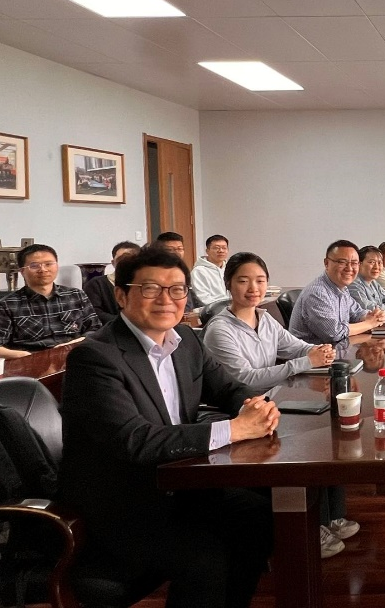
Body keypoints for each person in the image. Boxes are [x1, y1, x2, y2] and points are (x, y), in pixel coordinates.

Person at [60, 246, 279, 608]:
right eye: (150, 289)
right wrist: (237, 429)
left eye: (177, 289)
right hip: (125, 504)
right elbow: (134, 440)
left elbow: (227, 388)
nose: (166, 299)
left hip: (181, 485)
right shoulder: (95, 357)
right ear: (121, 295)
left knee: (259, 517)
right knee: (206, 557)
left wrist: (256, 407)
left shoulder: (186, 340)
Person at [202, 252, 358, 559]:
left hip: (273, 401)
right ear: (228, 284)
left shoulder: (264, 318)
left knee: (329, 428)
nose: (253, 288)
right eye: (243, 281)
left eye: (260, 281)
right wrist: (304, 362)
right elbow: (245, 380)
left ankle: (331, 516)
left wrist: (319, 350)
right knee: (310, 442)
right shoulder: (220, 329)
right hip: (242, 413)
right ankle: (311, 528)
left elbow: (294, 346)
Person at [0, 243, 102, 359]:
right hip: (30, 363)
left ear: (57, 266)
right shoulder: (8, 304)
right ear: (22, 271)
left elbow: (96, 329)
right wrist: (25, 356)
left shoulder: (76, 295)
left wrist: (73, 344)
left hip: (75, 357)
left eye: (48, 264)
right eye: (34, 265)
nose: (43, 269)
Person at [289, 241, 385, 344]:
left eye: (354, 263)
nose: (349, 268)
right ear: (326, 263)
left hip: (338, 349)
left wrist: (373, 316)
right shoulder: (317, 293)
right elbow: (335, 333)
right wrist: (370, 323)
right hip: (313, 352)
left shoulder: (342, 288)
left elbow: (356, 312)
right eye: (342, 262)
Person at [84, 241, 141, 325]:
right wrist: (126, 323)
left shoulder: (145, 285)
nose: (127, 263)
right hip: (109, 329)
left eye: (132, 259)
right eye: (121, 259)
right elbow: (93, 313)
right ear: (113, 263)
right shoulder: (96, 284)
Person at [349, 246, 385, 312]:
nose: (376, 267)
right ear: (359, 264)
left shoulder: (373, 282)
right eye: (372, 262)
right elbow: (365, 307)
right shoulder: (353, 284)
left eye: (379, 263)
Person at [156, 232, 205, 309]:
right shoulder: (156, 272)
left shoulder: (183, 270)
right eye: (170, 250)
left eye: (180, 249)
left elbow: (193, 299)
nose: (176, 253)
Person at [191, 234, 230, 305]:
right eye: (216, 248)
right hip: (211, 309)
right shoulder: (199, 271)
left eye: (224, 248)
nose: (221, 251)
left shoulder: (230, 268)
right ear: (207, 251)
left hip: (232, 307)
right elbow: (202, 297)